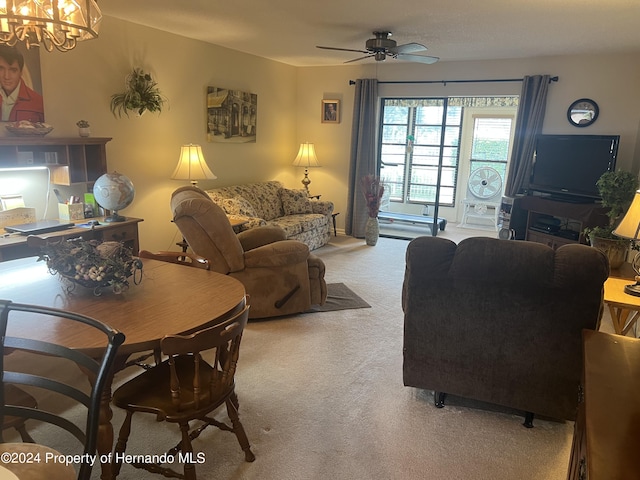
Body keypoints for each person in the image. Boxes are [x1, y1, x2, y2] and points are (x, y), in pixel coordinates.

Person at [0, 45, 44, 122]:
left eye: (13, 70)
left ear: (21, 72)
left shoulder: (38, 103)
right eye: (1, 69)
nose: (6, 76)